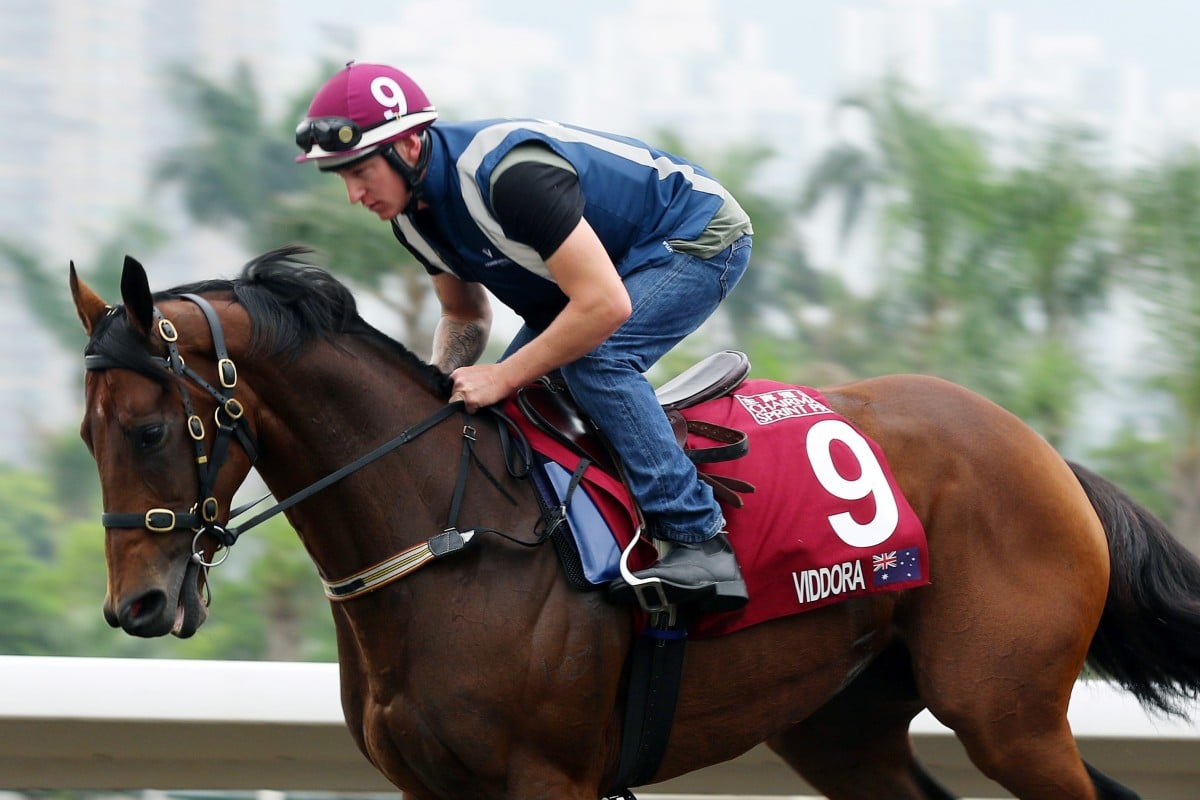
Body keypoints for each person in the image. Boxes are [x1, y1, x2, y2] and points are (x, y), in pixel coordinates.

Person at [294, 61, 752, 612]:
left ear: (409, 146)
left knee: (597, 361)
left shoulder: (508, 176)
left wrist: (503, 373)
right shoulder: (411, 217)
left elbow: (605, 305)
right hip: (598, 276)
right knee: (505, 411)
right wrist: (439, 384)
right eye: (341, 177)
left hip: (692, 235)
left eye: (360, 171)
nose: (353, 194)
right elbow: (464, 314)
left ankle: (699, 538)